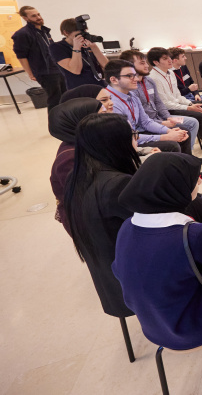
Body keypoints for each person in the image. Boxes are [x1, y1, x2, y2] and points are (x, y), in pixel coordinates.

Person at [112, 153, 202, 351]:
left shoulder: (126, 227)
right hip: (197, 328)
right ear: (176, 188)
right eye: (194, 179)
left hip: (153, 326)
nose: (199, 182)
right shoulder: (194, 236)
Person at [62, 113, 140, 320]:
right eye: (133, 134)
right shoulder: (116, 184)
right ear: (116, 142)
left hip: (109, 281)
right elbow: (154, 219)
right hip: (133, 282)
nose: (136, 139)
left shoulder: (76, 177)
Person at [119, 50, 202, 159]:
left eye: (145, 62)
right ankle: (187, 158)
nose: (146, 65)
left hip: (162, 117)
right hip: (154, 122)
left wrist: (168, 117)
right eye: (142, 63)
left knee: (191, 123)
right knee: (190, 123)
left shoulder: (150, 80)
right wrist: (164, 123)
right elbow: (143, 121)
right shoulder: (134, 87)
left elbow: (159, 102)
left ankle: (189, 157)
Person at [148, 47, 202, 150]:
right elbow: (165, 104)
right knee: (200, 116)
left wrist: (190, 104)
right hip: (168, 110)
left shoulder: (170, 73)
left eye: (169, 57)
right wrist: (188, 107)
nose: (169, 60)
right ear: (156, 62)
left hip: (177, 104)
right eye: (165, 58)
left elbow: (178, 95)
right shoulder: (153, 78)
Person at [104, 59, 190, 155]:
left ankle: (187, 162)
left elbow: (145, 121)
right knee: (171, 145)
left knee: (182, 132)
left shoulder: (132, 95)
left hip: (137, 133)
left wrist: (168, 131)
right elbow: (126, 137)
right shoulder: (109, 103)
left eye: (135, 75)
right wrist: (165, 136)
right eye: (130, 76)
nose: (136, 79)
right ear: (114, 80)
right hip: (125, 142)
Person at [49, 98, 106, 236]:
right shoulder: (70, 159)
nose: (108, 119)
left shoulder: (86, 141)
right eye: (102, 116)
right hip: (89, 223)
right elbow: (89, 199)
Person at [11, 5, 65, 110]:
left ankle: (66, 118)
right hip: (44, 72)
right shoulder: (22, 34)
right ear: (25, 18)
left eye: (38, 14)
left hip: (57, 68)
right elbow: (21, 56)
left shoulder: (44, 31)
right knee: (55, 100)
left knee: (65, 96)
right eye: (34, 16)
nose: (38, 17)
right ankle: (54, 120)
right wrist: (30, 73)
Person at [49, 18, 108, 89]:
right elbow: (76, 70)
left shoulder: (86, 44)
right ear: (66, 33)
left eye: (84, 31)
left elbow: (107, 66)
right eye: (79, 33)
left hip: (101, 86)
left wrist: (94, 47)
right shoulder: (57, 47)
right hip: (80, 89)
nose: (83, 35)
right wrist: (77, 48)